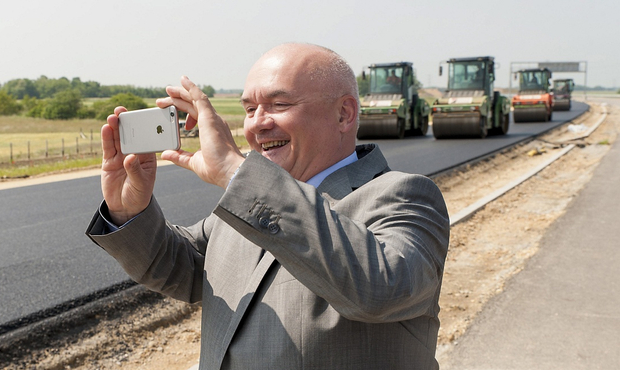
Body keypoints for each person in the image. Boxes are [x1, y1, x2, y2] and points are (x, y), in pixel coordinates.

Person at [87, 43, 449, 369]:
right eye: (249, 108)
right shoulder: (247, 202)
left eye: (279, 104)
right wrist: (129, 212)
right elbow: (181, 268)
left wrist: (235, 170)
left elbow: (380, 289)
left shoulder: (404, 195)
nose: (258, 124)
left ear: (344, 114)